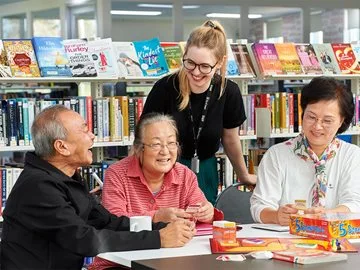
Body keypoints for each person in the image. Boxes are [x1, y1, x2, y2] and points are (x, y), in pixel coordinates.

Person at [0, 105, 195, 269]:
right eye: (84, 131)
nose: (92, 136)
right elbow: (85, 239)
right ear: (62, 147)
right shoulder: (38, 187)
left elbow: (108, 222)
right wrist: (158, 239)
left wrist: (160, 227)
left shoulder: (67, 178)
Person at [142, 20, 256, 204]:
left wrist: (243, 175)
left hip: (205, 170)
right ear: (184, 56)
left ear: (219, 63)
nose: (196, 72)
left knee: (204, 224)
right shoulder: (164, 88)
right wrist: (123, 179)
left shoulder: (229, 92)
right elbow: (142, 141)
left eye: (204, 66)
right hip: (164, 170)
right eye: (190, 63)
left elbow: (230, 139)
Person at [91, 112, 217, 269]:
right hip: (119, 264)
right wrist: (156, 217)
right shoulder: (117, 174)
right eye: (156, 144)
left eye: (171, 143)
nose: (165, 151)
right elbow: (113, 220)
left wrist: (208, 212)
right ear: (138, 148)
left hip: (170, 260)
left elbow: (201, 210)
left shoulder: (185, 175)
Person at [250, 77, 360, 226]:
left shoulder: (352, 156)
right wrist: (276, 216)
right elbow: (259, 206)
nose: (317, 126)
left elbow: (354, 204)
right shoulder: (276, 155)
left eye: (327, 121)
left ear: (341, 121)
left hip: (335, 240)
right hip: (285, 242)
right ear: (302, 113)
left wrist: (327, 215)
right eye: (311, 117)